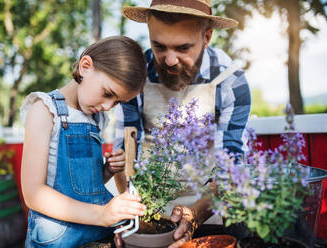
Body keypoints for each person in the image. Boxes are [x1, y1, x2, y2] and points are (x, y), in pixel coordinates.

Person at [114, 1, 251, 247]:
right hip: (148, 211)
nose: (169, 61)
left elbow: (232, 168)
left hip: (214, 211)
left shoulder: (231, 81)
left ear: (207, 36)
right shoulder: (135, 76)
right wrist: (130, 213)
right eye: (159, 46)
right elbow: (126, 151)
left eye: (183, 47)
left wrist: (193, 216)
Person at [20, 36, 147, 247]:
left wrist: (107, 171)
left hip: (98, 236)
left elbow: (82, 186)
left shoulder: (96, 119)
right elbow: (33, 194)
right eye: (107, 93)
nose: (108, 106)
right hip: (58, 239)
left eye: (116, 102)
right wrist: (102, 215)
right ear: (85, 66)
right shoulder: (44, 110)